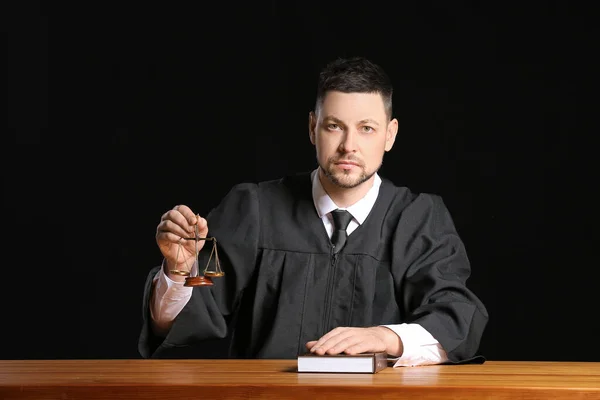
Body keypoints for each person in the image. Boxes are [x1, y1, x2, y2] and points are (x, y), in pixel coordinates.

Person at [138, 56, 488, 366]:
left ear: (390, 135)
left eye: (366, 128)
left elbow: (456, 316)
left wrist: (387, 338)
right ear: (312, 128)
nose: (349, 145)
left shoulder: (418, 219)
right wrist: (178, 272)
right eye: (334, 126)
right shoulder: (253, 209)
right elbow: (186, 317)